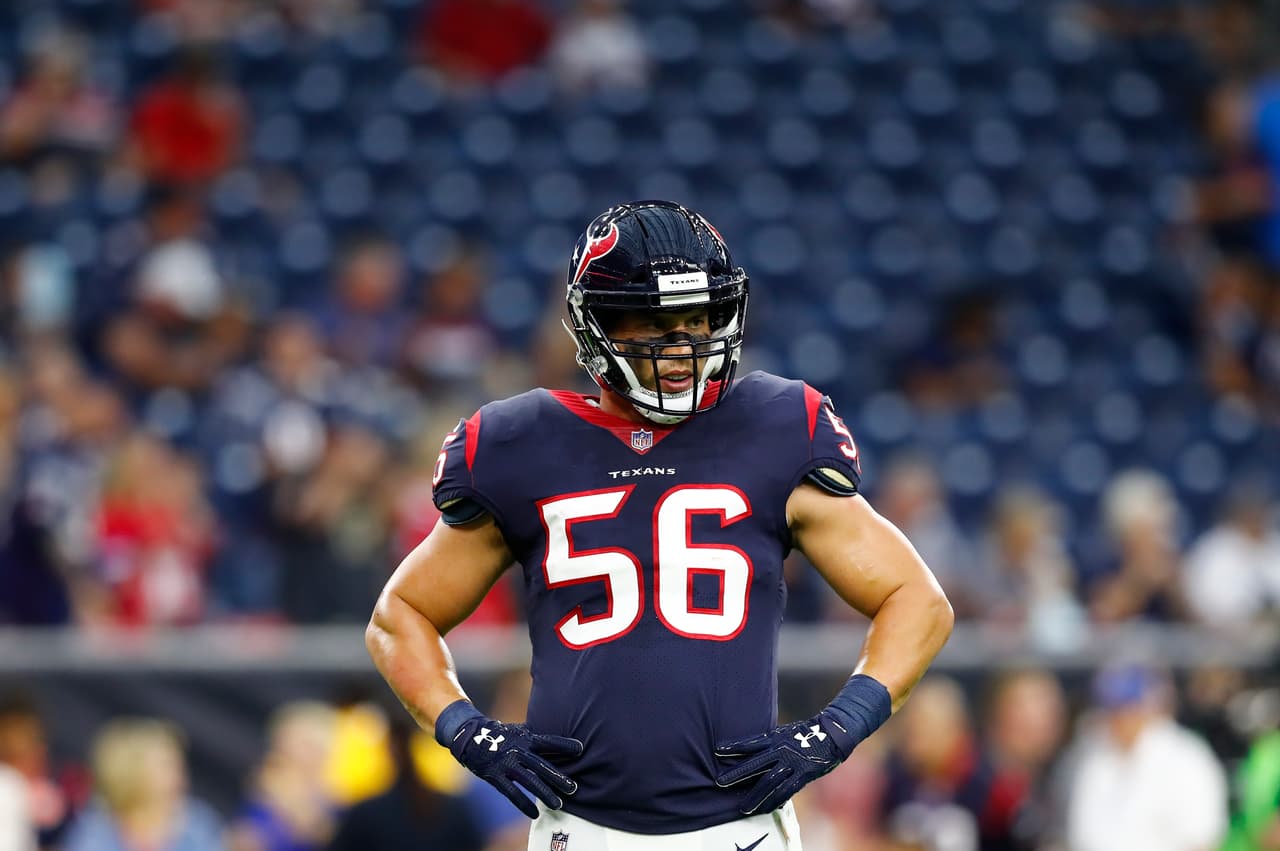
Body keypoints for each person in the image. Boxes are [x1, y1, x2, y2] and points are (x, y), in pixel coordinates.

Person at [366, 200, 954, 849]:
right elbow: (400, 616)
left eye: (700, 318)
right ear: (600, 324)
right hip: (580, 828)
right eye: (656, 322)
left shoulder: (775, 425)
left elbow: (918, 601)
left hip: (740, 828)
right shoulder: (520, 443)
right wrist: (463, 726)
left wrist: (839, 726)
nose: (684, 345)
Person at [1066, 664, 1228, 851]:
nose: (1120, 717)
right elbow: (1082, 836)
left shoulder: (1186, 757)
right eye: (1112, 708)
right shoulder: (1093, 756)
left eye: (1128, 707)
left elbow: (1202, 839)